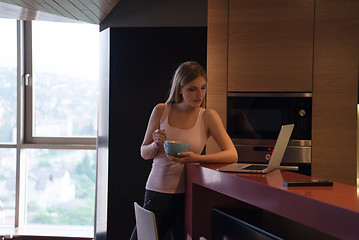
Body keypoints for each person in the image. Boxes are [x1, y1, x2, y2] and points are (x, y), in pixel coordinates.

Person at [130, 61, 238, 240]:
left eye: (203, 88)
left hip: (188, 197)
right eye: (192, 89)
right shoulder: (161, 110)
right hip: (156, 194)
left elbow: (232, 154)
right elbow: (144, 153)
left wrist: (197, 158)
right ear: (180, 89)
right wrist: (156, 144)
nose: (199, 94)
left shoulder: (208, 116)